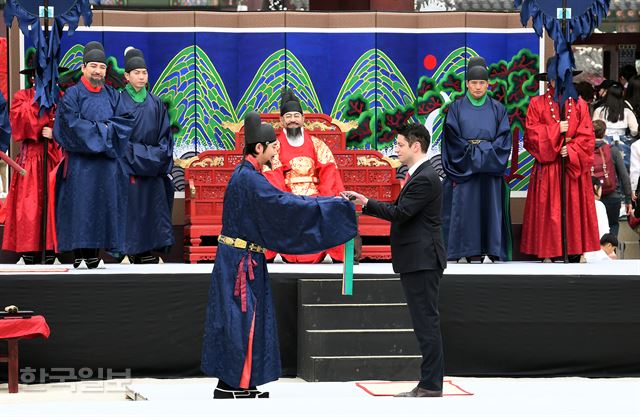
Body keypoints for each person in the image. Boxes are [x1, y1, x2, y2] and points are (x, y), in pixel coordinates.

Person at [201, 112, 357, 399]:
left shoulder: (245, 175)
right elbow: (285, 204)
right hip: (241, 262)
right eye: (273, 147)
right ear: (258, 148)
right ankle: (235, 385)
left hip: (239, 257)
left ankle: (235, 383)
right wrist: (331, 205)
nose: (278, 153)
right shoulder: (251, 180)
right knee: (243, 321)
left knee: (240, 320)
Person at [342, 123, 446, 398]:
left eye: (399, 145)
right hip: (417, 259)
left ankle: (431, 384)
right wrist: (366, 201)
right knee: (425, 322)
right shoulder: (419, 174)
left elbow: (401, 213)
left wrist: (366, 203)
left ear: (416, 145)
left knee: (426, 323)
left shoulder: (424, 177)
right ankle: (430, 382)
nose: (395, 149)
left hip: (422, 260)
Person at [53, 41, 132, 269]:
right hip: (81, 166)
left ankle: (95, 254)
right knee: (82, 207)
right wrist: (105, 129)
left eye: (101, 67)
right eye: (93, 66)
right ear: (84, 67)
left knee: (102, 208)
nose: (98, 71)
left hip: (106, 166)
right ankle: (80, 253)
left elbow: (124, 124)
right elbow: (70, 127)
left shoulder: (112, 95)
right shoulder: (72, 95)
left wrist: (100, 129)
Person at [520, 57, 600, 261]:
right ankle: (548, 252)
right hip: (549, 168)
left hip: (571, 166)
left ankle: (575, 250)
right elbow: (531, 135)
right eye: (556, 79)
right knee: (549, 210)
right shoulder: (536, 104)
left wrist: (572, 149)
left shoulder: (580, 104)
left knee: (573, 208)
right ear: (549, 80)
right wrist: (556, 131)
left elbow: (588, 136)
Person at [441, 56, 512, 263]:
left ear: (488, 84)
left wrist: (480, 152)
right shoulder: (456, 108)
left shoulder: (498, 108)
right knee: (466, 210)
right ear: (467, 84)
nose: (478, 87)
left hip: (489, 170)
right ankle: (466, 251)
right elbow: (452, 139)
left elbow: (504, 139)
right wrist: (479, 154)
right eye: (474, 83)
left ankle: (490, 250)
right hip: (466, 170)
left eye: (482, 83)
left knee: (490, 210)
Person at [263, 88, 345, 263]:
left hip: (315, 198)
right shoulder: (274, 147)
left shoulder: (317, 144)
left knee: (333, 210)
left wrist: (323, 201)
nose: (293, 120)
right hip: (287, 198)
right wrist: (287, 200)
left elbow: (329, 173)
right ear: (281, 121)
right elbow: (273, 177)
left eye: (296, 116)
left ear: (303, 119)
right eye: (288, 117)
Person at [116, 47, 174, 264]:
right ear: (127, 76)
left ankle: (144, 251)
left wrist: (153, 158)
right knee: (130, 207)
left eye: (144, 72)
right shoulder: (118, 102)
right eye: (136, 73)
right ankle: (126, 249)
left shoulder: (156, 103)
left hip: (151, 168)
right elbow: (117, 137)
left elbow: (165, 139)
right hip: (128, 167)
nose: (141, 77)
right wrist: (138, 156)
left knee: (151, 208)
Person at [2, 68, 62, 264]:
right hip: (30, 159)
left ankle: (51, 248)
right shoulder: (22, 97)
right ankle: (28, 248)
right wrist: (40, 102)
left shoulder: (60, 98)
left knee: (52, 203)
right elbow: (19, 123)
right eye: (40, 75)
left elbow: (68, 123)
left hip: (52, 157)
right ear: (33, 78)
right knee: (28, 205)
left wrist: (54, 132)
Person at [591, 119, 632, 237]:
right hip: (612, 197)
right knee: (613, 225)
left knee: (594, 228)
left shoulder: (585, 151)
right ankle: (611, 252)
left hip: (592, 197)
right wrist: (628, 199)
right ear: (604, 133)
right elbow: (624, 175)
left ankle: (596, 253)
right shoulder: (612, 150)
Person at [593, 82, 639, 171]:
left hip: (604, 143)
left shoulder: (599, 111)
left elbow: (594, 128)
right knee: (624, 170)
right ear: (621, 95)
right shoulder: (627, 112)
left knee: (605, 168)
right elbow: (634, 131)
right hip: (623, 143)